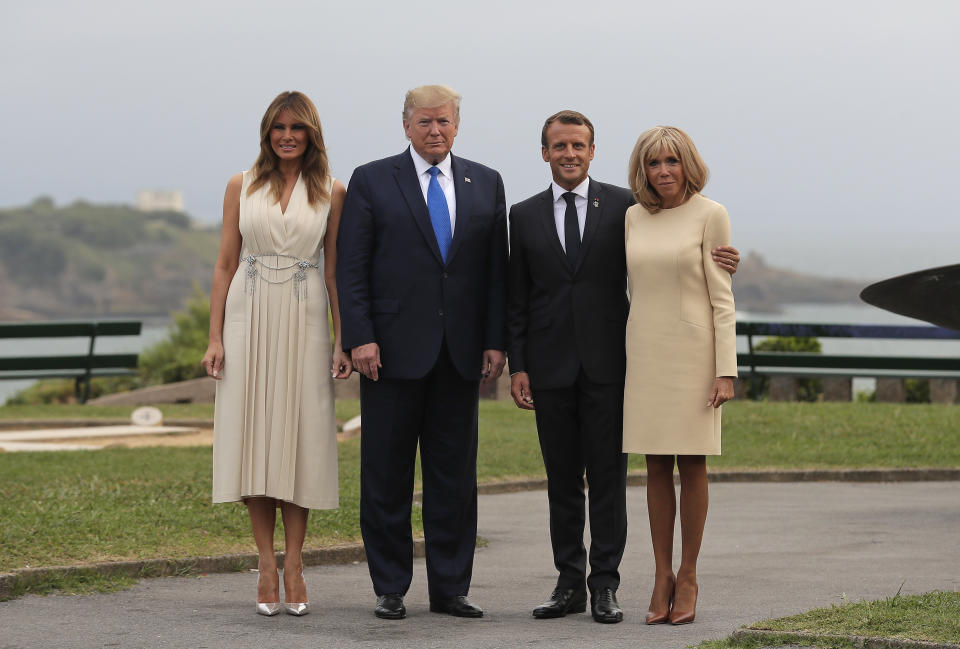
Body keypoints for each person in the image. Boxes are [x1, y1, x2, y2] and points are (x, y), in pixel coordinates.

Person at [506, 111, 739, 624]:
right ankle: (569, 582)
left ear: (593, 151)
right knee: (562, 479)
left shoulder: (622, 206)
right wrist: (517, 362)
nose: (570, 154)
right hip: (566, 363)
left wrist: (727, 267)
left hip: (615, 363)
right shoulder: (525, 215)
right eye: (559, 146)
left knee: (610, 478)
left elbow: (708, 276)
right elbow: (517, 297)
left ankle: (606, 587)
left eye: (579, 146)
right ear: (545, 152)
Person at [336, 84, 507, 620]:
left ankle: (450, 588)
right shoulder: (371, 179)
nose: (436, 131)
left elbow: (494, 271)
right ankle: (390, 586)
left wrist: (495, 339)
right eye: (426, 122)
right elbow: (351, 265)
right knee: (386, 475)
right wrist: (358, 336)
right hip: (387, 354)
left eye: (445, 122)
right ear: (406, 126)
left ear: (458, 125)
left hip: (460, 355)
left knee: (453, 478)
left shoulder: (486, 181)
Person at [202, 91, 351, 617]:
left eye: (297, 128)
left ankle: (295, 564)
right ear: (267, 132)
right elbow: (224, 264)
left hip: (306, 315)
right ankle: (265, 563)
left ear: (311, 134)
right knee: (254, 438)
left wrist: (341, 338)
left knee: (301, 438)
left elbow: (335, 272)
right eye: (278, 128)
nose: (287, 136)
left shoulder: (333, 191)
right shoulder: (240, 186)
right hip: (248, 316)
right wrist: (215, 336)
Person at [622, 126, 738, 626]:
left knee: (692, 465)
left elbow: (722, 297)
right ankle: (661, 574)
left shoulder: (712, 214)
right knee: (653, 466)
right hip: (644, 351)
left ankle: (689, 574)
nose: (663, 171)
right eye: (653, 163)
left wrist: (725, 370)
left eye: (671, 161)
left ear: (687, 163)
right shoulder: (631, 216)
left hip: (694, 354)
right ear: (642, 170)